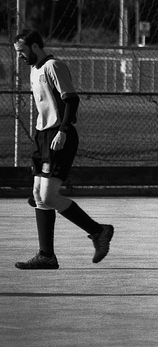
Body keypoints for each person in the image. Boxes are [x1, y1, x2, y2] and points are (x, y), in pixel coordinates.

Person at [13, 29, 114, 269]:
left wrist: (63, 131)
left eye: (22, 52)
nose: (19, 57)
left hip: (59, 135)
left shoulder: (53, 66)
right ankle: (46, 256)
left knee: (47, 196)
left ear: (35, 47)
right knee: (39, 196)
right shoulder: (34, 69)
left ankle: (99, 231)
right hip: (43, 136)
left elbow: (71, 99)